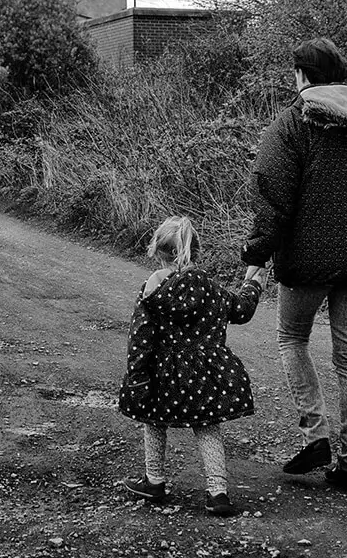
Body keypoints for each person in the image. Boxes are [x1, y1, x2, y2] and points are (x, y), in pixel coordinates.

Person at [242, 37, 347, 494]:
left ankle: (315, 436)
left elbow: (274, 197)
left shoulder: (294, 122)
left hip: (307, 259)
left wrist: (256, 256)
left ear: (301, 76)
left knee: (292, 338)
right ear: (339, 75)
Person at [118, 216, 260, 517]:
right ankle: (217, 492)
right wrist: (253, 283)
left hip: (163, 372)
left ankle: (154, 481)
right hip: (205, 374)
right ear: (197, 252)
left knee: (153, 421)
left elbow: (140, 338)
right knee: (207, 426)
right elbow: (242, 310)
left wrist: (137, 377)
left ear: (158, 250)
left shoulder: (152, 289)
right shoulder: (210, 288)